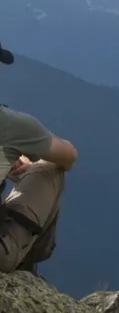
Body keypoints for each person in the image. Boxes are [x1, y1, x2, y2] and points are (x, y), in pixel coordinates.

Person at [0, 41, 78, 275]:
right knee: (50, 168)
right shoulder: (11, 124)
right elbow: (68, 156)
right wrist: (27, 159)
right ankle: (27, 263)